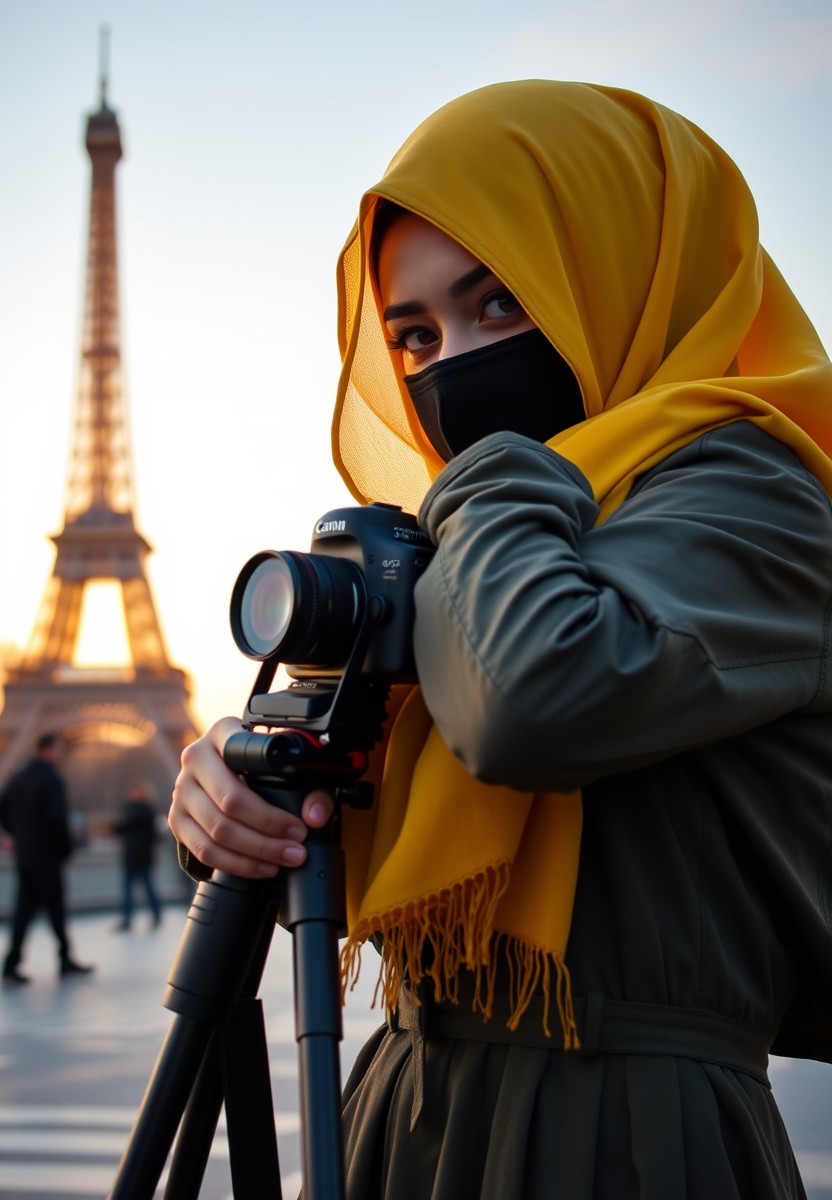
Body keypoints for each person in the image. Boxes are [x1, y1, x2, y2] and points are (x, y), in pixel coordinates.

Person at [168, 81, 832, 1199]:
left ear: (621, 270)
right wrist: (235, 798)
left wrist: (488, 474)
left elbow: (530, 698)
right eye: (412, 334)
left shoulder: (755, 489)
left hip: (624, 1136)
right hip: (406, 1111)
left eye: (502, 307)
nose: (449, 372)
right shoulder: (499, 533)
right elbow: (362, 791)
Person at [1, 732, 94, 984]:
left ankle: (11, 964)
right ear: (50, 749)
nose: (61, 754)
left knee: (23, 910)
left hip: (25, 854)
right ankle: (65, 959)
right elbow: (57, 820)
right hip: (48, 856)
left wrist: (16, 834)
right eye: (59, 749)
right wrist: (66, 850)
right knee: (56, 909)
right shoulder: (51, 780)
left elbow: (3, 809)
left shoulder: (18, 778)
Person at [111, 778, 163, 932]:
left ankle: (130, 919)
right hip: (137, 856)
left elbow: (123, 826)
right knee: (144, 887)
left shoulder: (138, 812)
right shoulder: (146, 811)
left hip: (136, 856)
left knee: (135, 888)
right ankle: (155, 915)